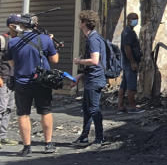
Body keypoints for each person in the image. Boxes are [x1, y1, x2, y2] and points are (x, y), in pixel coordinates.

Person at [2, 13, 59, 155]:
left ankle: (27, 147)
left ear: (21, 25)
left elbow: (11, 63)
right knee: (45, 111)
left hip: (22, 81)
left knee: (23, 114)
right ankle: (48, 144)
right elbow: (55, 60)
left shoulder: (13, 42)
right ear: (35, 25)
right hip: (42, 81)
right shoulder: (45, 39)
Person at [73, 10, 107, 147]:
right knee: (87, 108)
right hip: (91, 77)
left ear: (84, 23)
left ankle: (100, 137)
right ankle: (84, 136)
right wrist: (81, 75)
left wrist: (78, 61)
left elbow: (94, 60)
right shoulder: (93, 38)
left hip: (95, 79)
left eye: (81, 21)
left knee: (93, 109)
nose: (79, 24)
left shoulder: (93, 39)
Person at [0, 16, 19, 146]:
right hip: (3, 78)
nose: (20, 26)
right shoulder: (2, 39)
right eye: (17, 24)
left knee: (8, 108)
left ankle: (2, 136)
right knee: (1, 108)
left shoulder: (18, 40)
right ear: (11, 25)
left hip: (13, 79)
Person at [119, 12, 143, 114]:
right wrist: (133, 62)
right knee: (131, 86)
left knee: (124, 85)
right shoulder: (128, 32)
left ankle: (120, 106)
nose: (135, 21)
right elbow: (127, 48)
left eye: (137, 18)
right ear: (128, 20)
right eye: (133, 19)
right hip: (129, 63)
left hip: (126, 62)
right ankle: (132, 107)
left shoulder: (128, 31)